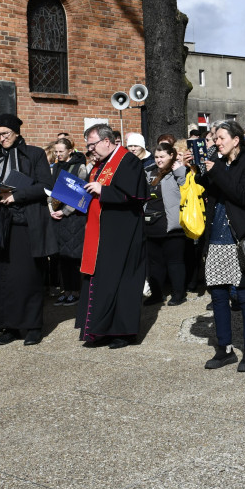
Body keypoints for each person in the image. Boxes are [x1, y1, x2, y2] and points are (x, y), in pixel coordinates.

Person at [0, 115, 57, 346]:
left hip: (25, 223)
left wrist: (17, 196)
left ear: (16, 132)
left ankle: (32, 325)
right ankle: (8, 326)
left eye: (5, 134)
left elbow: (46, 186)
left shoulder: (34, 154)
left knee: (27, 276)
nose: (1, 138)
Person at [199, 120, 245, 372]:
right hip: (216, 237)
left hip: (240, 239)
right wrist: (194, 169)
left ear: (235, 140)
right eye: (215, 139)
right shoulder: (218, 164)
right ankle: (224, 349)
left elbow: (244, 196)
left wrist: (216, 171)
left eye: (221, 138)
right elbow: (209, 189)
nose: (217, 142)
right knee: (218, 295)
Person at [77, 123, 148, 349]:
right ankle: (101, 330)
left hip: (124, 232)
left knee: (123, 282)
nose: (91, 151)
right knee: (104, 281)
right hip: (101, 231)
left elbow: (135, 196)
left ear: (106, 141)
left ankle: (123, 332)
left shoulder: (128, 161)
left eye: (92, 145)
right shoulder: (100, 164)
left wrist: (103, 191)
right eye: (88, 147)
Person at [143, 142, 188, 307]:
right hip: (151, 223)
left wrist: (180, 169)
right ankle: (156, 294)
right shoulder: (148, 172)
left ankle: (178, 294)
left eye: (162, 156)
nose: (159, 160)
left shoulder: (178, 171)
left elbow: (186, 186)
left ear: (171, 156)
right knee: (155, 263)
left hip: (172, 224)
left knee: (175, 261)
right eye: (156, 157)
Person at [48, 137, 87, 306]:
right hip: (57, 217)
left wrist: (64, 212)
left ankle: (76, 291)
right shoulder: (55, 167)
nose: (58, 155)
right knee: (62, 257)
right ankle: (66, 290)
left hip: (73, 218)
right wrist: (51, 209)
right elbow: (50, 191)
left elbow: (81, 195)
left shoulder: (80, 167)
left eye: (61, 151)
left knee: (73, 256)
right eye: (56, 152)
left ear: (71, 150)